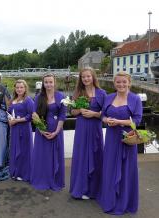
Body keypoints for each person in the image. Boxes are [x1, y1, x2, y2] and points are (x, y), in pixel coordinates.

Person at [98, 71, 142, 214]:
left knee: (126, 169)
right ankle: (110, 199)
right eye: (118, 82)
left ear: (129, 82)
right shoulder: (109, 97)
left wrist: (118, 122)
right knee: (110, 167)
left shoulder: (135, 99)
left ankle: (124, 201)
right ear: (114, 83)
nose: (121, 84)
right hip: (111, 138)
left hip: (127, 138)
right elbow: (103, 115)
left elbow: (137, 120)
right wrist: (106, 120)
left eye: (124, 82)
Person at [69, 67, 106, 200]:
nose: (86, 79)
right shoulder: (78, 92)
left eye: (88, 76)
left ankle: (95, 189)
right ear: (81, 79)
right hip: (82, 129)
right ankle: (81, 188)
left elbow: (107, 113)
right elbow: (71, 112)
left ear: (93, 77)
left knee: (96, 155)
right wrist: (79, 111)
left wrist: (94, 114)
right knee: (82, 156)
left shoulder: (102, 93)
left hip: (95, 128)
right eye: (83, 77)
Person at [30, 73, 67, 190]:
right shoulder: (38, 97)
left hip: (57, 131)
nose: (48, 84)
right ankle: (43, 179)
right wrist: (41, 130)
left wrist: (56, 131)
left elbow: (62, 115)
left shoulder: (61, 96)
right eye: (46, 82)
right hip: (42, 132)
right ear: (43, 83)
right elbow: (34, 115)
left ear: (55, 82)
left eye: (51, 82)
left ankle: (55, 180)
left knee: (55, 155)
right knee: (43, 156)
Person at [8, 79, 34, 182]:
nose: (19, 89)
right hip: (14, 129)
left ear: (25, 88)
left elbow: (30, 116)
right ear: (15, 88)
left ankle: (24, 173)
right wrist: (9, 120)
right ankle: (16, 171)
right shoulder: (12, 100)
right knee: (15, 150)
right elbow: (9, 112)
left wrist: (17, 120)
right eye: (17, 87)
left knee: (24, 151)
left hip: (24, 129)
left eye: (21, 87)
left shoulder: (28, 100)